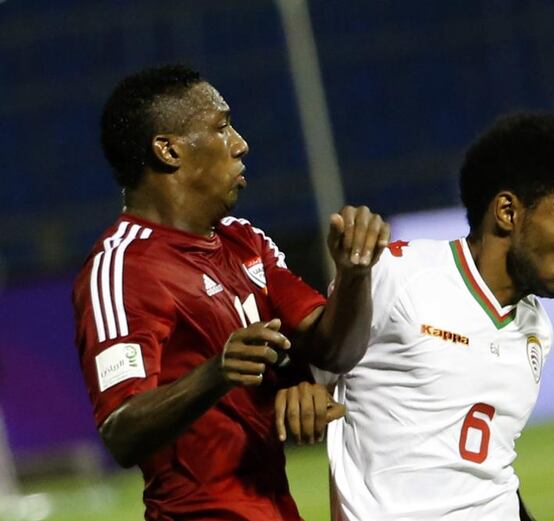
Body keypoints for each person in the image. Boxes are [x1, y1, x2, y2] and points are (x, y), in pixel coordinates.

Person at [72, 64, 389, 521]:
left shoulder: (244, 241)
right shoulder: (122, 268)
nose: (241, 143)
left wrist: (355, 273)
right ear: (168, 149)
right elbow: (120, 430)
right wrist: (216, 373)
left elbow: (333, 349)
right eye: (221, 127)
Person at [308, 112, 554, 520]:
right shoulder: (397, 277)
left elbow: (487, 469)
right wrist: (298, 382)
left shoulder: (536, 328)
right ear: (508, 211)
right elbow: (311, 365)